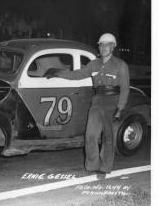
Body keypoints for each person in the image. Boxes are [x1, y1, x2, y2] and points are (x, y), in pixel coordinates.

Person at [47, 33, 130, 178]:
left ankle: (105, 167)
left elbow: (125, 88)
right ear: (99, 46)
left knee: (108, 137)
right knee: (90, 135)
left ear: (113, 47)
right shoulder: (94, 64)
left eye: (108, 45)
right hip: (97, 100)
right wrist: (58, 73)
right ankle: (93, 165)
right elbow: (77, 74)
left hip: (113, 101)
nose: (104, 48)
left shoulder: (121, 65)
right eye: (102, 45)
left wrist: (120, 108)